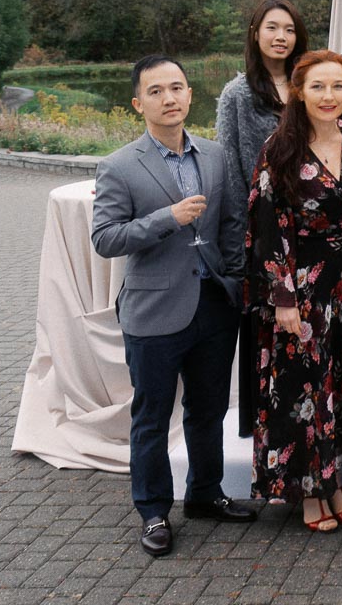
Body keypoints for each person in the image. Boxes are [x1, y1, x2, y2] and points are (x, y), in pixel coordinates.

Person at [92, 55, 255, 558]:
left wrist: (233, 276)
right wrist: (166, 217)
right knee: (152, 415)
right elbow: (105, 238)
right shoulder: (119, 165)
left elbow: (230, 222)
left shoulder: (213, 156)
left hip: (212, 305)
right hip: (154, 310)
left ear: (190, 95)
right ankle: (154, 512)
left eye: (178, 88)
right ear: (139, 103)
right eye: (157, 91)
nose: (170, 98)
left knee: (207, 411)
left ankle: (205, 494)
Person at [247, 51, 342, 532]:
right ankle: (309, 492)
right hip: (305, 286)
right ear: (299, 92)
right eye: (318, 87)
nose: (328, 96)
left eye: (337, 87)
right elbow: (267, 227)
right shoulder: (280, 148)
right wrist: (283, 297)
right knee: (305, 386)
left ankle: (335, 482)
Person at [215, 0, 310, 437]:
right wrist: (241, 243)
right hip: (263, 231)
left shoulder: (308, 84)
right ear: (255, 33)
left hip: (311, 230)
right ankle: (273, 434)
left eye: (289, 30)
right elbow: (231, 172)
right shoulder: (237, 95)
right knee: (270, 334)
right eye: (272, 28)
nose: (281, 37)